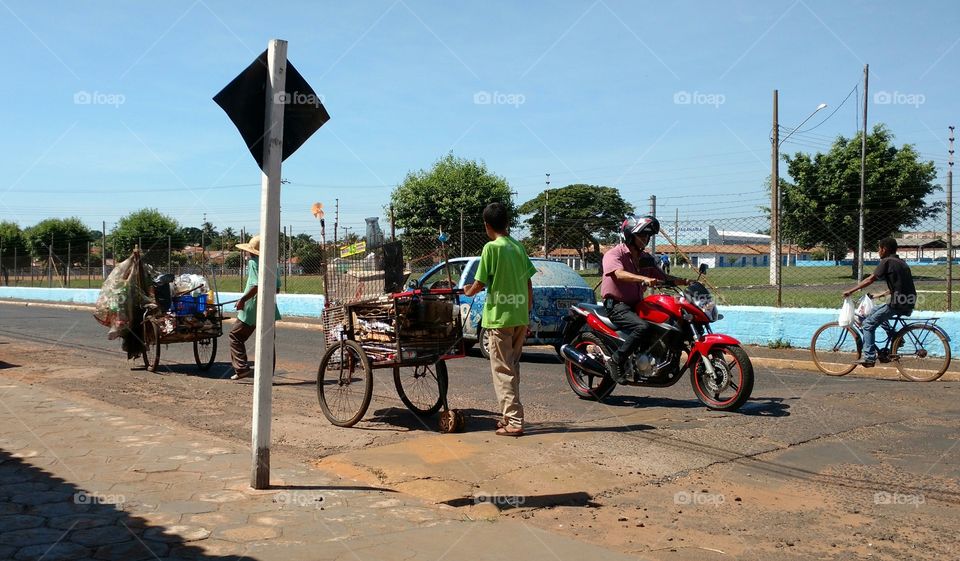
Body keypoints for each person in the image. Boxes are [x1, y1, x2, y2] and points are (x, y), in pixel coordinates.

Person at [464, 202, 536, 437]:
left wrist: (468, 291)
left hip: (499, 319)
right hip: (519, 316)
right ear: (507, 223)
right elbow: (528, 283)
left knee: (503, 370)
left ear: (487, 225)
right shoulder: (518, 247)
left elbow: (480, 282)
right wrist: (527, 311)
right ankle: (509, 416)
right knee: (512, 367)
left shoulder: (491, 248)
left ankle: (514, 421)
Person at [600, 216, 688, 384]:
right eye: (642, 236)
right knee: (642, 327)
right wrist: (642, 278)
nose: (645, 239)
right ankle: (616, 360)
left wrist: (683, 281)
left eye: (647, 236)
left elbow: (662, 276)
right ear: (630, 236)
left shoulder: (645, 258)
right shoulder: (614, 254)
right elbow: (618, 273)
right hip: (617, 305)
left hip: (638, 304)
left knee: (667, 322)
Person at [842, 237, 917, 367]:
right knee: (874, 310)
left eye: (879, 248)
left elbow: (870, 280)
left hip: (897, 303)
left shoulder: (887, 261)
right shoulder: (901, 262)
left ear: (884, 249)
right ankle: (896, 339)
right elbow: (898, 285)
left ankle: (869, 357)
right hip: (907, 300)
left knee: (868, 324)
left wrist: (851, 291)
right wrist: (879, 295)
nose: (878, 251)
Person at [229, 235, 281, 380]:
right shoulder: (274, 264)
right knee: (268, 340)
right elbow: (277, 289)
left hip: (253, 305)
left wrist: (242, 299)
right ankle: (267, 376)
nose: (247, 253)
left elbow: (256, 285)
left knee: (235, 336)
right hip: (270, 305)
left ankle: (241, 368)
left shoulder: (253, 262)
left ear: (252, 251)